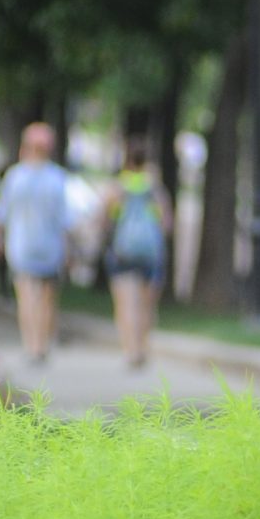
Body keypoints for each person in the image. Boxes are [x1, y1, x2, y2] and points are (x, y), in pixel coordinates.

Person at [0, 123, 73, 363]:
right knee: (47, 297)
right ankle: (42, 344)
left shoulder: (16, 176)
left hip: (22, 244)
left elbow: (1, 213)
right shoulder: (56, 177)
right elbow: (64, 218)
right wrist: (67, 248)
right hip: (50, 245)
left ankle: (31, 344)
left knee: (26, 295)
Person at [101, 139, 172, 369]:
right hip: (150, 252)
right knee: (146, 305)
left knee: (125, 304)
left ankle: (130, 350)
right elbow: (166, 223)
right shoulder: (155, 189)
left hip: (123, 251)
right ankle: (143, 347)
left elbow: (105, 218)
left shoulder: (118, 187)